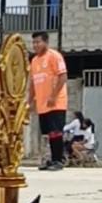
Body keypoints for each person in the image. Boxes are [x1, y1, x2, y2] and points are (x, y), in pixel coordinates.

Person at [29, 31, 68, 170]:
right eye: (34, 42)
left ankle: (59, 160)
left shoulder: (54, 56)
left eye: (38, 42)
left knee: (56, 131)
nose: (35, 45)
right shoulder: (34, 61)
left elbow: (63, 76)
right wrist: (30, 101)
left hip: (56, 103)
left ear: (46, 42)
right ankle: (50, 159)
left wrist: (53, 96)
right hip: (42, 104)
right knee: (47, 133)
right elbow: (33, 83)